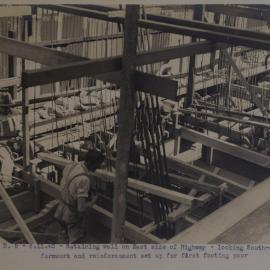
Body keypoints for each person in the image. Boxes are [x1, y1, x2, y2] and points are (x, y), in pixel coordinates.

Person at [54, 149, 105, 243]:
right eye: (98, 164)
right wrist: (94, 200)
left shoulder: (71, 166)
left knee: (65, 235)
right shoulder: (84, 180)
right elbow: (81, 209)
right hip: (70, 217)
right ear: (90, 162)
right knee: (76, 241)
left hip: (60, 210)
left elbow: (69, 184)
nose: (99, 167)